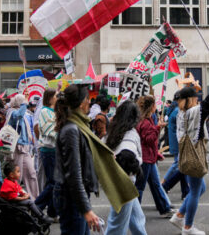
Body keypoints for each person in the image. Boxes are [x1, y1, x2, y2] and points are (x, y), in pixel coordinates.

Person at [169, 68, 209, 235]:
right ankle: (187, 227)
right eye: (195, 97)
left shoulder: (180, 112)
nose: (198, 99)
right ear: (192, 99)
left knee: (200, 189)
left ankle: (179, 216)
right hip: (194, 154)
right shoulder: (195, 111)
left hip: (185, 153)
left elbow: (195, 129)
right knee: (195, 191)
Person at [53, 85, 102, 234]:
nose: (90, 102)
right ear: (82, 103)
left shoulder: (78, 127)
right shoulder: (72, 130)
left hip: (73, 196)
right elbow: (74, 174)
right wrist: (86, 209)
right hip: (70, 197)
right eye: (88, 99)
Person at [103, 100, 147, 235]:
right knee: (117, 226)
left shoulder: (113, 131)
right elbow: (130, 157)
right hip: (125, 181)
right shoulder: (131, 134)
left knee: (137, 219)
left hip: (117, 178)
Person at [134, 95, 174, 218]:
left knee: (155, 184)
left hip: (148, 157)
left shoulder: (146, 119)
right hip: (145, 159)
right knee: (140, 187)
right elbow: (148, 140)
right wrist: (158, 128)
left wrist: (156, 153)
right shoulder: (145, 122)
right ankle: (134, 212)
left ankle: (164, 208)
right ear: (151, 106)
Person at [34, 88, 59, 222]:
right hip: (48, 150)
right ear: (50, 98)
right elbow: (50, 129)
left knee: (54, 182)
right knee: (52, 182)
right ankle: (36, 207)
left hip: (54, 150)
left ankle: (52, 212)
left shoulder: (54, 111)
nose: (57, 98)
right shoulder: (44, 111)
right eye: (56, 95)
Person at [8, 94, 39, 199]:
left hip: (25, 147)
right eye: (23, 102)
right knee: (18, 176)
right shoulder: (12, 112)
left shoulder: (24, 114)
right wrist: (24, 103)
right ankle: (14, 198)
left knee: (32, 173)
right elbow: (18, 115)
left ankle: (34, 199)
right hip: (17, 147)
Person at [162, 92, 189, 199]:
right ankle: (164, 184)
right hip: (179, 141)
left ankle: (185, 190)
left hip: (175, 140)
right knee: (178, 164)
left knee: (182, 165)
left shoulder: (173, 109)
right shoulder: (178, 111)